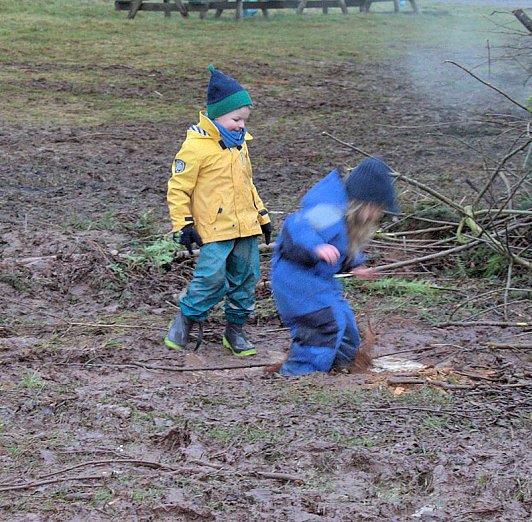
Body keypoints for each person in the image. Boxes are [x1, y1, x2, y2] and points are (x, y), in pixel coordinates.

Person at [164, 65, 272, 357]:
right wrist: (183, 225)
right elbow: (178, 189)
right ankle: (186, 318)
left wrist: (262, 216)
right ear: (216, 117)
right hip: (214, 228)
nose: (241, 125)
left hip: (246, 226)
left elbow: (248, 184)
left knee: (247, 277)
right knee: (211, 278)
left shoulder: (240, 146)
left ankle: (235, 331)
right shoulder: (196, 148)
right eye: (236, 119)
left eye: (244, 120)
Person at [270, 157, 398, 376]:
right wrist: (315, 246)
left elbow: (342, 246)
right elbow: (296, 227)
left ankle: (340, 369)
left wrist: (355, 265)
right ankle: (299, 375)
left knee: (346, 329)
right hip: (297, 281)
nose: (377, 214)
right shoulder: (329, 210)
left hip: (321, 281)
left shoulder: (346, 220)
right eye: (376, 208)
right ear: (363, 203)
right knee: (323, 326)